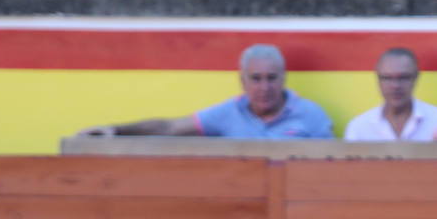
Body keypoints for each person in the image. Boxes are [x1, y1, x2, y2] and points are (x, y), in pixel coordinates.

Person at [77, 44, 332, 139]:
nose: (264, 87)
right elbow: (169, 128)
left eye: (271, 78)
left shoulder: (311, 114)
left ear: (284, 79)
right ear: (242, 81)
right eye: (256, 79)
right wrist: (116, 131)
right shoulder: (228, 112)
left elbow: (330, 168)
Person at [344, 48, 437, 142]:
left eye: (403, 77)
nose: (395, 86)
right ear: (378, 80)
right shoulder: (359, 127)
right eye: (387, 78)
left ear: (416, 78)